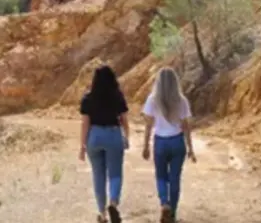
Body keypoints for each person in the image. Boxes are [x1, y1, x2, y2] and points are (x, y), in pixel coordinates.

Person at [141, 67, 196, 223]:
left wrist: (145, 146)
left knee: (161, 175)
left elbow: (148, 125)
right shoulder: (181, 100)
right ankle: (172, 213)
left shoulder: (152, 99)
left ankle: (164, 203)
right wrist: (190, 148)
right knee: (175, 178)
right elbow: (186, 126)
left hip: (160, 142)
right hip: (177, 141)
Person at [79, 65, 130, 223]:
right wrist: (126, 137)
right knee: (115, 174)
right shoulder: (117, 96)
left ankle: (102, 214)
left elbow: (85, 124)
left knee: (98, 175)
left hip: (94, 136)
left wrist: (82, 146)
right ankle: (113, 203)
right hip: (113, 134)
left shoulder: (88, 98)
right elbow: (124, 120)